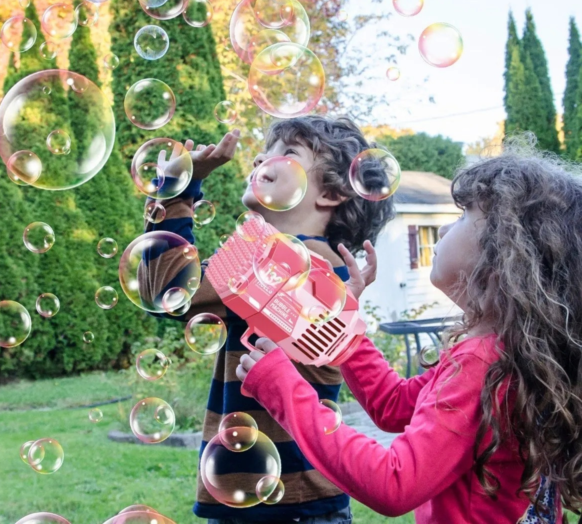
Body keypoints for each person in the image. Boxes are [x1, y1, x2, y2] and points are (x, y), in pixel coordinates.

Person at [238, 135, 582, 524]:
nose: (447, 229)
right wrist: (345, 327)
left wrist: (283, 388)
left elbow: (394, 483)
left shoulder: (481, 361)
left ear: (504, 252)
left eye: (464, 215)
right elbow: (394, 405)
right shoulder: (507, 353)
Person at [142, 116, 395, 523]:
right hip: (277, 496)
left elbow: (168, 289)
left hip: (283, 506)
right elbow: (167, 290)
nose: (262, 158)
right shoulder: (287, 259)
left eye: (288, 152)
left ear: (331, 192)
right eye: (266, 151)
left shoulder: (281, 261)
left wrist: (178, 187)